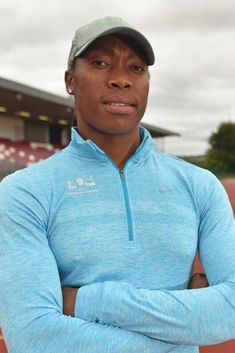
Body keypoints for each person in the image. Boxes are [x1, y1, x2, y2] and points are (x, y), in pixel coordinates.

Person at [0, 16, 234, 353]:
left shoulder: (200, 185)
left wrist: (85, 301)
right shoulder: (25, 192)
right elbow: (34, 338)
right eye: (100, 63)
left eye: (136, 68)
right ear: (70, 80)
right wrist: (183, 325)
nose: (121, 79)